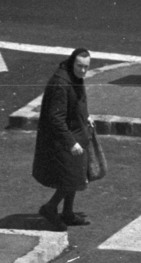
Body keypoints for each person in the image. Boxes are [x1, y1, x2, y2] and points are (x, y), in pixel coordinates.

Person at [33, 48, 99, 231]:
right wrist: (71, 142)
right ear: (72, 63)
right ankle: (50, 208)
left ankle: (68, 212)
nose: (83, 71)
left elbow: (79, 102)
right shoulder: (61, 84)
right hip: (64, 138)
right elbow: (56, 118)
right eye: (80, 66)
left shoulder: (73, 77)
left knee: (76, 175)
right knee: (71, 178)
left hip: (76, 132)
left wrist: (85, 116)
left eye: (86, 67)